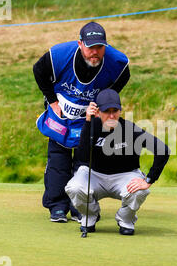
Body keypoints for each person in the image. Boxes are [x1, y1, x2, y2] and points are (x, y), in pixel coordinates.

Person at [33, 22, 130, 223]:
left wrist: (103, 104)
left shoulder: (117, 63)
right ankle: (57, 206)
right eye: (90, 47)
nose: (95, 52)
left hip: (88, 118)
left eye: (99, 47)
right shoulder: (59, 54)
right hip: (61, 115)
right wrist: (52, 101)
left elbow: (121, 80)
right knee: (58, 161)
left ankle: (80, 207)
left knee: (85, 163)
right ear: (80, 44)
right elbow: (38, 71)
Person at [65, 89, 170, 235]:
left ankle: (125, 219)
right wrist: (88, 122)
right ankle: (90, 215)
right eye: (107, 111)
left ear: (120, 110)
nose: (112, 115)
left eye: (115, 110)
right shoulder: (91, 126)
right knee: (74, 188)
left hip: (125, 176)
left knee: (140, 191)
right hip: (95, 175)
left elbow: (162, 150)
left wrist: (149, 179)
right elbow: (82, 157)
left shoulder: (130, 129)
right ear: (98, 111)